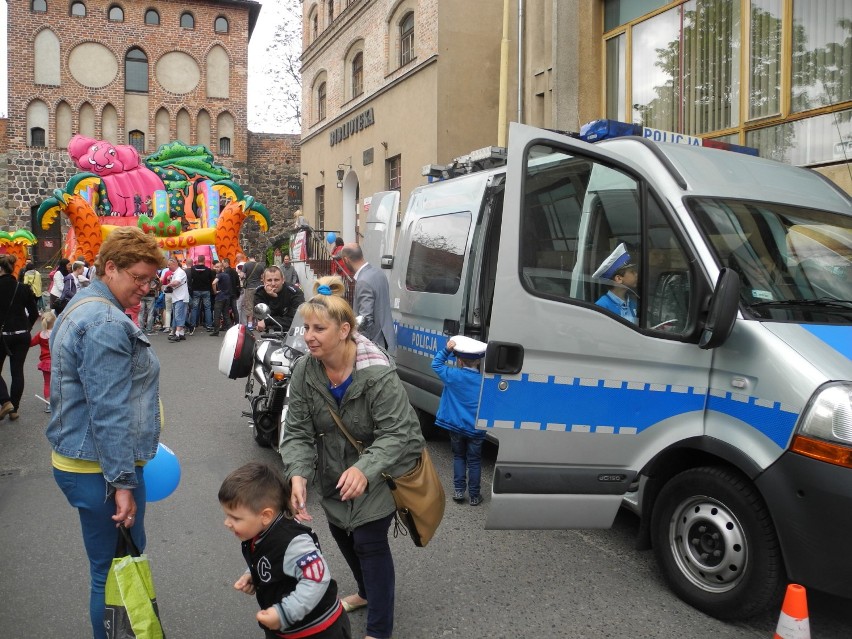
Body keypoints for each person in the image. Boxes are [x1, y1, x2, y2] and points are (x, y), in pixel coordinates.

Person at [280, 276, 424, 639]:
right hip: (335, 467)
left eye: (319, 328)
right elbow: (296, 430)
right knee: (341, 530)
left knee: (368, 540)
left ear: (344, 330)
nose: (308, 335)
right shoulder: (305, 370)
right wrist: (298, 474)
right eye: (306, 327)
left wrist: (365, 469)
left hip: (382, 464)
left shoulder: (377, 372)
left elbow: (398, 433)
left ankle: (379, 629)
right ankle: (364, 591)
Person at [46, 226, 166, 639]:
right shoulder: (104, 322)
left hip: (87, 461)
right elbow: (109, 411)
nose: (146, 288)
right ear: (110, 267)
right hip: (98, 467)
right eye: (138, 278)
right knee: (114, 570)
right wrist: (121, 483)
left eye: (150, 280)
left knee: (110, 566)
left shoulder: (86, 304)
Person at [219, 461, 351, 639]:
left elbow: (317, 579)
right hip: (286, 629)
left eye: (235, 518)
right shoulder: (261, 532)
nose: (227, 523)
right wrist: (253, 574)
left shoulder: (293, 542)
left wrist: (284, 613)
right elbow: (271, 558)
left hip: (318, 630)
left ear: (265, 515)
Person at [431, 336, 487, 505]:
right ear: (479, 362)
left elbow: (436, 364)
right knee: (475, 461)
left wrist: (448, 350)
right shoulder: (485, 382)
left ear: (460, 361)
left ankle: (458, 491)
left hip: (455, 426)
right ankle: (475, 496)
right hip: (476, 429)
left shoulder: (453, 375)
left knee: (459, 457)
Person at [0, 254, 39, 421]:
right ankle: (14, 408)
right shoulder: (22, 288)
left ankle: (5, 401)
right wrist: (27, 328)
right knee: (17, 372)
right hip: (22, 334)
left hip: (2, 335)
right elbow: (34, 313)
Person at [339, 245, 397, 355]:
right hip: (385, 341)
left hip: (373, 346)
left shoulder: (363, 281)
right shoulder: (379, 273)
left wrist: (359, 348)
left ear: (346, 260)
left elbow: (365, 320)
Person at [593, 243, 639, 324]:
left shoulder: (632, 303)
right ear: (619, 278)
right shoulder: (602, 306)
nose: (636, 274)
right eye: (632, 272)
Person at [254, 266, 305, 333]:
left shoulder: (295, 292)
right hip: (270, 334)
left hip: (293, 332)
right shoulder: (260, 293)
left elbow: (295, 320)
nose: (273, 284)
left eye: (276, 280)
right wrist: (272, 298)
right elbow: (261, 319)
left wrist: (268, 321)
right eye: (269, 280)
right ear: (263, 281)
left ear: (283, 280)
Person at [30, 310, 56, 413]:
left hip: (46, 363)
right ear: (54, 322)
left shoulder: (40, 335)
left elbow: (31, 343)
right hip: (56, 362)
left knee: (47, 383)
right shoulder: (56, 333)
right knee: (59, 382)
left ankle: (48, 405)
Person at [189, 254, 215, 333]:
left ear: (197, 260)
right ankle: (209, 325)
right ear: (204, 260)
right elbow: (211, 281)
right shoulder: (208, 270)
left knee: (194, 308)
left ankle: (193, 325)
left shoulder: (193, 269)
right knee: (207, 308)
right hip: (206, 290)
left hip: (196, 290)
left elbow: (190, 280)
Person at [166, 256, 190, 342]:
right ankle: (181, 333)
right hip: (177, 297)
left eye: (169, 265)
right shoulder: (175, 273)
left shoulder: (180, 272)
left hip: (181, 297)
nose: (168, 267)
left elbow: (177, 282)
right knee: (177, 316)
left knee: (178, 315)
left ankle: (177, 334)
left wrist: (169, 284)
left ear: (175, 264)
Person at [210, 260, 233, 336]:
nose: (216, 268)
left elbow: (213, 283)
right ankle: (231, 330)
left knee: (217, 314)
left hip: (220, 297)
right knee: (226, 314)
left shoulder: (219, 275)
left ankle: (216, 331)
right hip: (227, 297)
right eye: (215, 267)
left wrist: (215, 291)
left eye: (218, 267)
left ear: (222, 267)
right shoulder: (227, 275)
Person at [242, 256, 264, 329]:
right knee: (258, 305)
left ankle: (250, 324)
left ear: (248, 258)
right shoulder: (260, 266)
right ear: (255, 258)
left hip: (250, 287)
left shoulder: (246, 265)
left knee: (249, 305)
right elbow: (263, 277)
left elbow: (242, 275)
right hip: (259, 287)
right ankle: (259, 323)